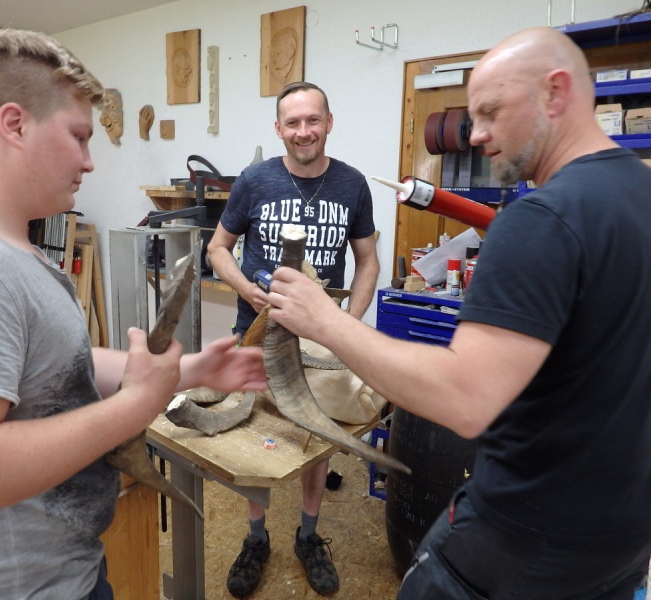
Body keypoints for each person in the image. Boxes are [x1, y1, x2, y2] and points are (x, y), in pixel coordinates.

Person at [0, 28, 266, 600]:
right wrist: (134, 406)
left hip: (60, 576)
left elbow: (58, 366)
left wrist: (189, 371)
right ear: (14, 124)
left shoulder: (7, 250)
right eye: (79, 137)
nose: (89, 161)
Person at [265, 27, 651, 599]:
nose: (479, 134)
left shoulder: (539, 220)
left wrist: (325, 320)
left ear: (556, 92)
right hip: (622, 543)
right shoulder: (640, 189)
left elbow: (464, 400)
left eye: (491, 111)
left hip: (517, 544)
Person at [207, 81, 380, 597]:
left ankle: (308, 535)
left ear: (329, 123)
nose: (303, 131)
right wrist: (247, 291)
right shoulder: (254, 181)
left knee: (316, 439)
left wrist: (346, 324)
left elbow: (368, 261)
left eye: (312, 120)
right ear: (279, 128)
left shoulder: (352, 185)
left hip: (319, 341)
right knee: (255, 437)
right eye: (293, 122)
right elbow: (218, 249)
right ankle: (256, 537)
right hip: (257, 334)